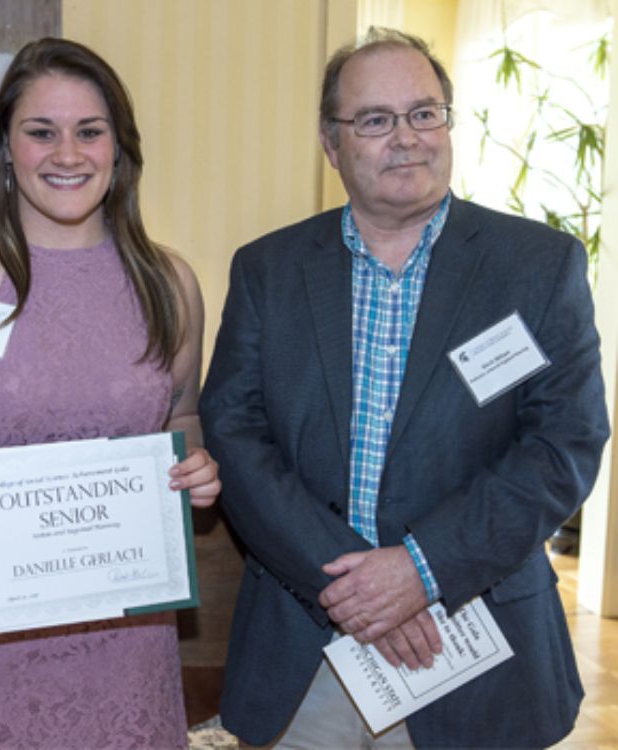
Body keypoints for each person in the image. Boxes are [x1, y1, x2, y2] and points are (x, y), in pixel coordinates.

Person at [199, 26, 609, 750]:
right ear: (332, 144)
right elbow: (234, 431)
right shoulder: (268, 270)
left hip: (478, 649)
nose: (407, 138)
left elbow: (562, 445)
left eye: (424, 113)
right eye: (375, 120)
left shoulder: (537, 267)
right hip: (308, 646)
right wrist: (362, 590)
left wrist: (423, 569)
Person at [0, 37, 220, 749]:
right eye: (41, 132)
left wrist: (195, 467)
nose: (68, 153)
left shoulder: (171, 285)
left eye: (89, 131)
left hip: (125, 635)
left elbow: (180, 413)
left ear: (119, 148)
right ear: (6, 148)